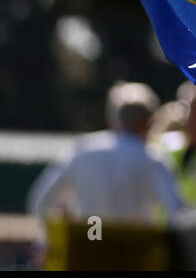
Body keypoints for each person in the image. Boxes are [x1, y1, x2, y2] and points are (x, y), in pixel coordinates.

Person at [28, 82, 183, 225]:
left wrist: (58, 239)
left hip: (89, 247)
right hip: (135, 251)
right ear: (149, 122)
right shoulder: (153, 160)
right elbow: (177, 212)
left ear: (114, 118)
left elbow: (41, 201)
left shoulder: (83, 150)